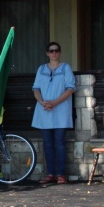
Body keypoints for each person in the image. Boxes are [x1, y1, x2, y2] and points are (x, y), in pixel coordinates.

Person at [31, 42, 76, 184]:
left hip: (60, 110)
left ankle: (61, 173)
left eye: (56, 50)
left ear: (60, 52)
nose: (54, 53)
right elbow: (36, 88)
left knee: (60, 142)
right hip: (44, 110)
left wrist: (55, 103)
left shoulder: (66, 68)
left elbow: (70, 88)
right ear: (47, 53)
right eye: (51, 51)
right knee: (47, 143)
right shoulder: (41, 69)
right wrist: (42, 102)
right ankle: (50, 173)